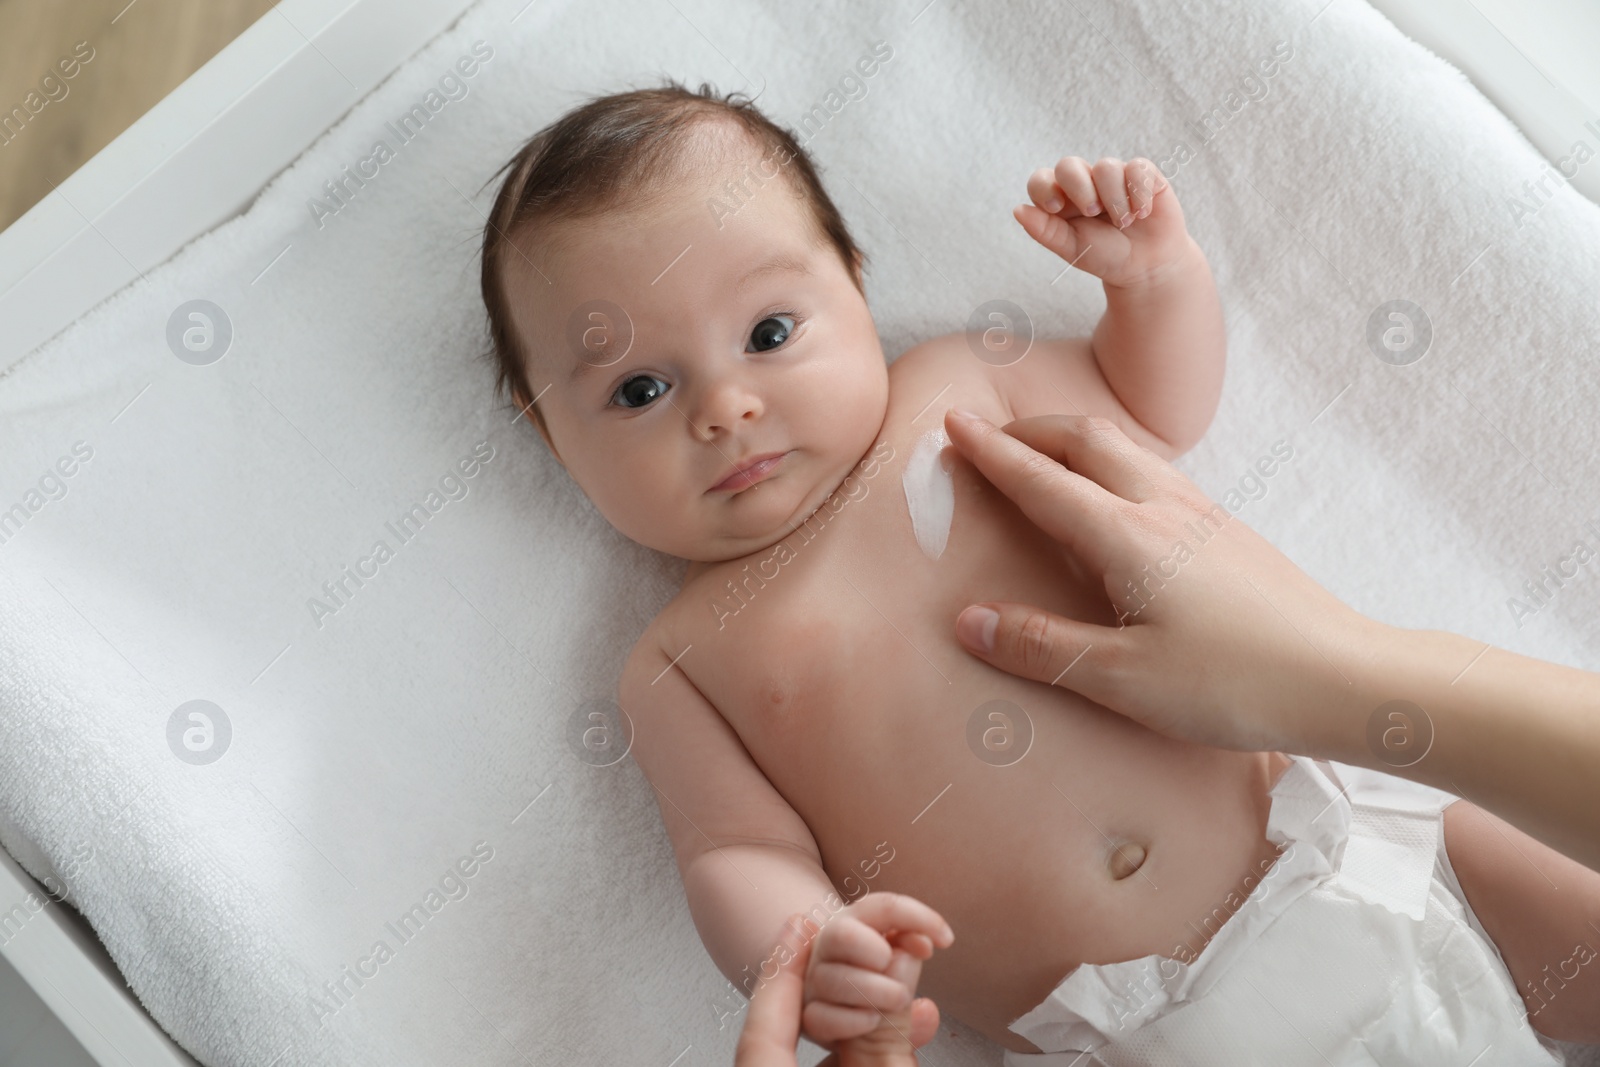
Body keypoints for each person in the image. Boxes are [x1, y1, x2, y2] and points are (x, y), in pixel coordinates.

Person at [943, 407, 1600, 874]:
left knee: (1515, 870)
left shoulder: (957, 394)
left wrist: (1153, 279)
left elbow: (1150, 412)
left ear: (857, 267)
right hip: (1165, 1009)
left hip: (1343, 847)